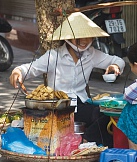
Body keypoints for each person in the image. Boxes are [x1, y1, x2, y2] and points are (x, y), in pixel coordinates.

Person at [9, 12, 125, 147]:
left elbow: (118, 60)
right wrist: (18, 72)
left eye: (89, 37)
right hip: (59, 107)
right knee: (98, 117)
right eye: (80, 37)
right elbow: (31, 68)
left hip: (80, 104)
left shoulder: (91, 54)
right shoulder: (54, 56)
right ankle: (85, 143)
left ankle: (86, 142)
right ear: (68, 38)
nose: (85, 40)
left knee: (108, 116)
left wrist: (114, 66)